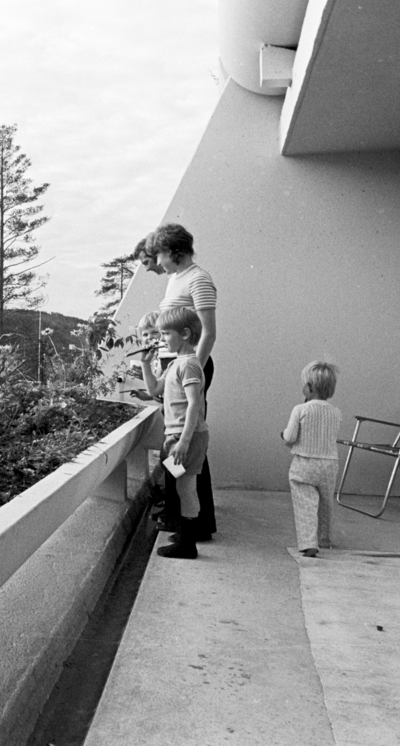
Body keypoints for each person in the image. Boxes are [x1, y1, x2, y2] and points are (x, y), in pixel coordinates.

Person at [148, 223, 218, 541]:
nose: (158, 262)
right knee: (178, 447)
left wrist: (193, 372)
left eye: (159, 254)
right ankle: (180, 516)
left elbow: (207, 331)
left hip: (190, 368)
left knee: (189, 449)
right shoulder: (176, 279)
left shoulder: (199, 278)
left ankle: (197, 523)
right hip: (177, 367)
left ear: (174, 251)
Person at [146, 306, 208, 559]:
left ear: (184, 333)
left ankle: (188, 544)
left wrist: (183, 441)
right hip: (176, 437)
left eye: (165, 333)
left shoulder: (190, 366)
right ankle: (184, 535)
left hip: (187, 437)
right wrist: (144, 363)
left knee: (186, 488)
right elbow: (154, 390)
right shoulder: (175, 364)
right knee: (179, 486)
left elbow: (195, 404)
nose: (161, 339)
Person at [281, 361, 342, 558]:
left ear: (310, 387)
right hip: (330, 463)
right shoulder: (336, 412)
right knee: (326, 503)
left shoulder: (300, 409)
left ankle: (309, 543)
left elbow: (290, 438)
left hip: (304, 464)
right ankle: (325, 539)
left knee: (305, 503)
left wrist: (283, 436)